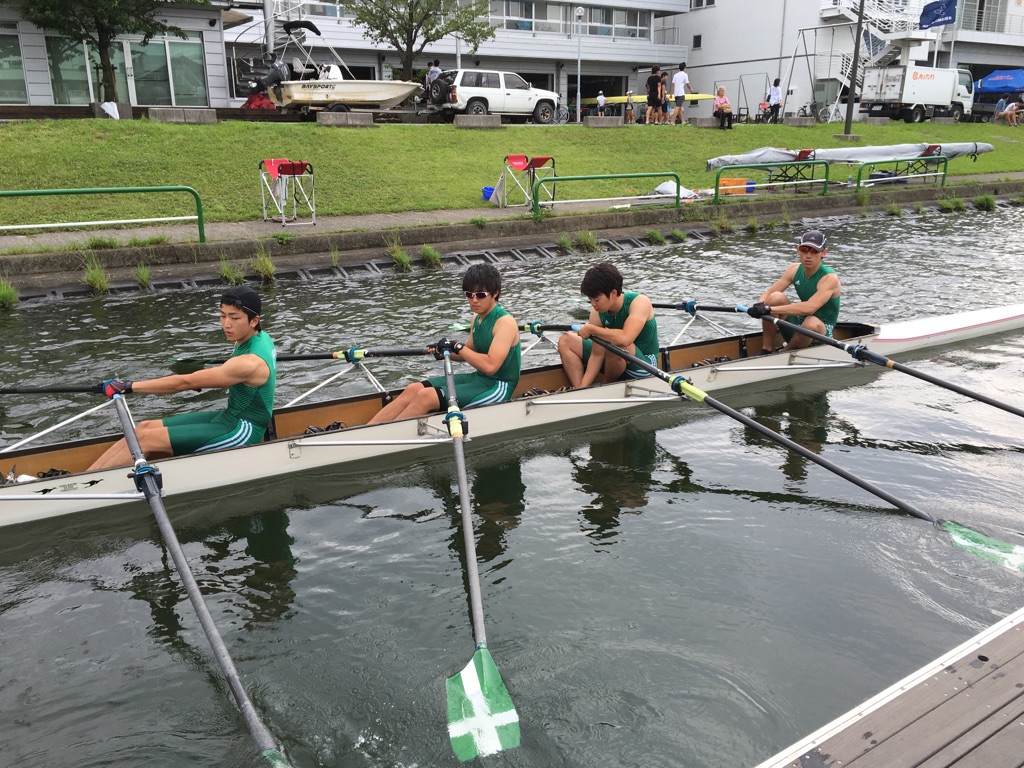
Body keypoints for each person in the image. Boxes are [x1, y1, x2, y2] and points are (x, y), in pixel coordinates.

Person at [88, 286, 277, 470]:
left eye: (234, 318)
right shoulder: (260, 338)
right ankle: (86, 476)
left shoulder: (249, 363)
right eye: (222, 315)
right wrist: (207, 376)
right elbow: (230, 374)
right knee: (143, 428)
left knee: (146, 439)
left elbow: (184, 383)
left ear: (254, 320)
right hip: (229, 416)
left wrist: (127, 386)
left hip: (242, 430)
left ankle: (90, 484)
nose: (226, 324)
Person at [367, 264, 521, 423]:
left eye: (480, 295)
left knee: (425, 396)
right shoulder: (476, 318)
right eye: (469, 294)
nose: (474, 300)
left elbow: (490, 366)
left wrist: (457, 346)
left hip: (498, 386)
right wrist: (442, 351)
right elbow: (468, 353)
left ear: (495, 293)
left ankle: (388, 435)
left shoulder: (505, 323)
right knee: (414, 388)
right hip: (477, 379)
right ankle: (369, 430)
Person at [557, 262, 660, 389]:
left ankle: (606, 386)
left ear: (613, 293)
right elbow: (597, 355)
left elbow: (625, 339)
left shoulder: (640, 302)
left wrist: (592, 329)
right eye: (590, 299)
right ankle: (578, 389)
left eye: (597, 299)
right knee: (566, 340)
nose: (593, 304)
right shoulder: (596, 313)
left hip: (644, 367)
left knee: (617, 344)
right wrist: (582, 388)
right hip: (614, 361)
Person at [747, 230, 841, 355]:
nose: (808, 255)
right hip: (800, 324)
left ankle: (785, 352)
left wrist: (768, 309)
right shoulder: (794, 269)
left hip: (821, 331)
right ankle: (766, 349)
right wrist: (760, 305)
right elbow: (769, 292)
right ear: (798, 250)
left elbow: (810, 308)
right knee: (775, 297)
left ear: (823, 253)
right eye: (804, 250)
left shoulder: (829, 278)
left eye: (814, 251)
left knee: (811, 322)